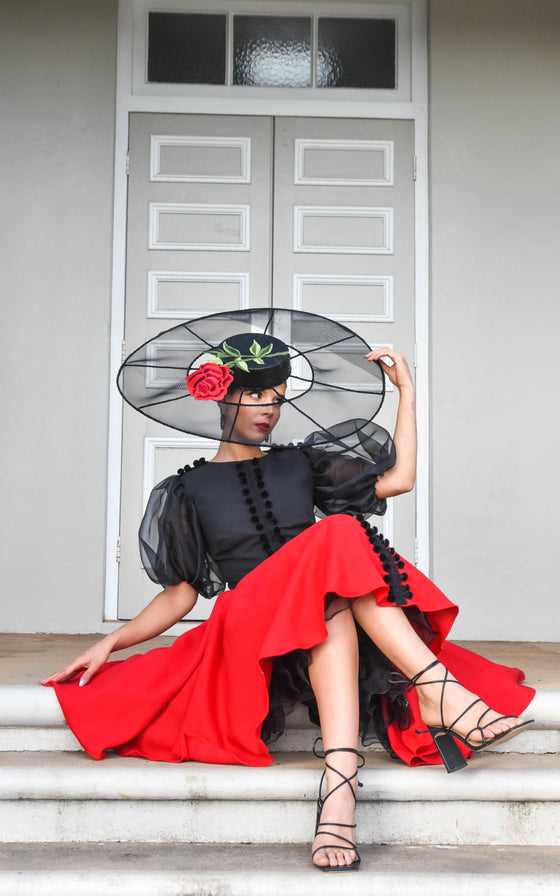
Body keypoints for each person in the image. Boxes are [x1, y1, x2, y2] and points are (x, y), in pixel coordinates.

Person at [43, 309, 534, 873]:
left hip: (317, 619)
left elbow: (397, 480)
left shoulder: (300, 462)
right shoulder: (188, 489)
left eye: (276, 398)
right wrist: (112, 642)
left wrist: (408, 393)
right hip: (251, 630)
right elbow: (180, 595)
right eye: (256, 396)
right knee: (341, 531)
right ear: (220, 395)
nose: (269, 410)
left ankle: (340, 785)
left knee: (333, 584)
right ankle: (439, 691)